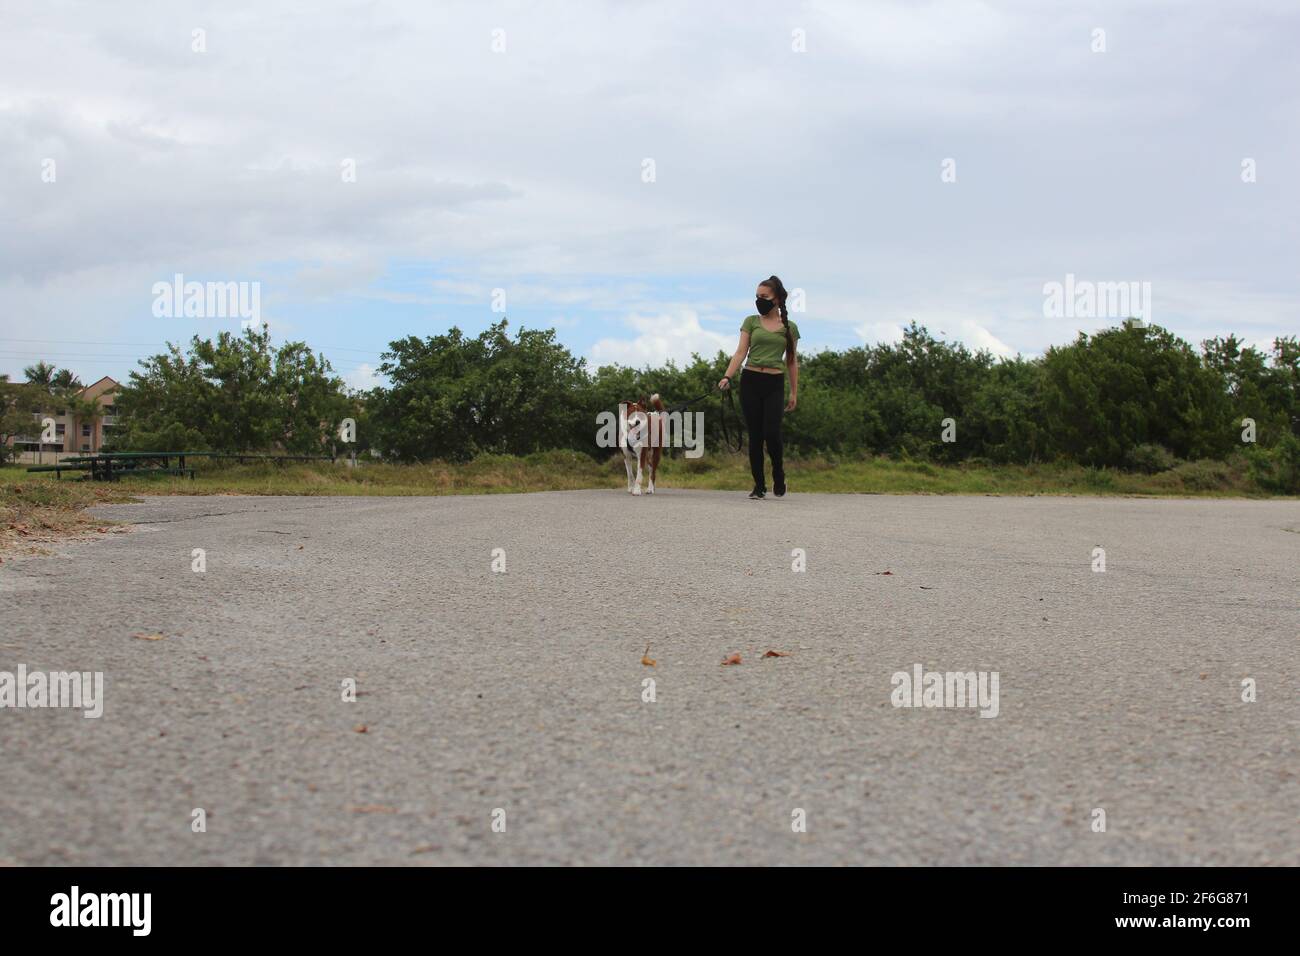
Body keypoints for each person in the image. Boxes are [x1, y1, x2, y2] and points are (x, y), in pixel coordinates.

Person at [718, 276, 799, 498]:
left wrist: (793, 391)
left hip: (774, 383)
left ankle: (778, 473)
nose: (759, 301)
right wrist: (727, 376)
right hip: (750, 381)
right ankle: (759, 485)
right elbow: (740, 352)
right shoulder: (751, 321)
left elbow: (791, 361)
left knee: (772, 434)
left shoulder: (789, 327)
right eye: (757, 297)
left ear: (777, 298)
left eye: (764, 297)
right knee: (755, 435)